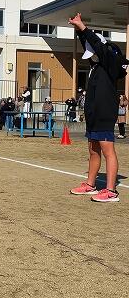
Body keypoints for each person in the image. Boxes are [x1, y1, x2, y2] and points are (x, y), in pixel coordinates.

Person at [69, 12, 129, 203]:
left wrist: (84, 27)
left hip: (104, 115)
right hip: (93, 115)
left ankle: (111, 191)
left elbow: (97, 46)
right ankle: (90, 184)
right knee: (93, 150)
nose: (91, 56)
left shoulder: (109, 62)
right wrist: (78, 30)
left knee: (107, 150)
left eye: (94, 51)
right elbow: (89, 45)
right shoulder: (95, 66)